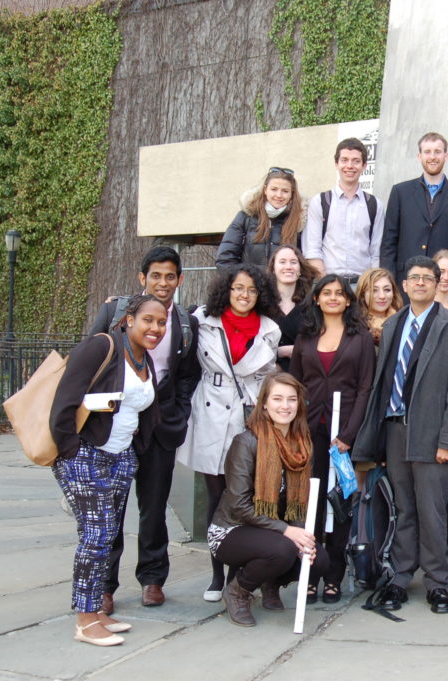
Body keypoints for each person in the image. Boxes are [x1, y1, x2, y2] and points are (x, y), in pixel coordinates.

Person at [352, 256, 448, 614]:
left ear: (438, 285)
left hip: (432, 434)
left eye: (427, 278)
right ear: (404, 285)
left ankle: (437, 582)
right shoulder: (392, 326)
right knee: (402, 509)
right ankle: (401, 576)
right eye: (414, 278)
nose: (420, 283)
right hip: (394, 429)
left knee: (432, 511)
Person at [89, 247, 200, 613]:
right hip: (117, 426)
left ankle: (153, 579)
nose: (163, 283)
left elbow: (187, 375)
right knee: (111, 508)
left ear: (180, 280)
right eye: (155, 276)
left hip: (161, 426)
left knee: (153, 508)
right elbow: (90, 357)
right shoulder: (115, 311)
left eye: (170, 276)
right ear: (143, 278)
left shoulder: (186, 322)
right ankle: (105, 585)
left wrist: (179, 414)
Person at [51, 295, 166, 646]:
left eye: (161, 323)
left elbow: (142, 410)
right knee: (96, 535)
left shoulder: (143, 359)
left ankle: (97, 612)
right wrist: (70, 451)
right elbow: (64, 401)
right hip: (85, 454)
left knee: (108, 535)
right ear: (128, 319)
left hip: (120, 457)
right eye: (148, 320)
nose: (155, 328)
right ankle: (85, 620)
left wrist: (135, 452)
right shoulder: (101, 347)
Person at [175, 265, 281, 602]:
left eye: (251, 289)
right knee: (215, 498)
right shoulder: (203, 319)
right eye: (238, 288)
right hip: (209, 411)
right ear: (227, 289)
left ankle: (239, 574)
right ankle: (216, 573)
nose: (244, 295)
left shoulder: (270, 329)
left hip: (247, 415)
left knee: (242, 497)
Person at [208, 372, 323, 626]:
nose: (285, 406)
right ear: (264, 404)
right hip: (231, 530)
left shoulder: (301, 446)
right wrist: (287, 531)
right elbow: (238, 504)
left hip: (270, 531)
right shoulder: (246, 442)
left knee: (318, 558)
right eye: (278, 399)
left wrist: (301, 534)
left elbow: (300, 502)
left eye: (292, 399)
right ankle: (237, 591)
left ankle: (271, 582)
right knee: (283, 549)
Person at [289, 274, 376, 603]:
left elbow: (366, 388)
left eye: (340, 293)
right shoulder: (306, 335)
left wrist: (349, 435)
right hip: (309, 432)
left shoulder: (361, 337)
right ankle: (310, 572)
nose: (334, 298)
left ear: (349, 300)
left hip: (343, 436)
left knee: (340, 505)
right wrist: (296, 429)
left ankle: (334, 575)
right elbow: (295, 384)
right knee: (310, 504)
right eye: (327, 293)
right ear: (316, 299)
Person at [380, 132, 448, 284]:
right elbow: (388, 243)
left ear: (446, 155)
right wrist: (388, 282)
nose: (432, 157)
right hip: (405, 282)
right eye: (427, 152)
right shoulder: (400, 192)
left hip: (444, 284)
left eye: (437, 151)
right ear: (419, 156)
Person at [302, 137, 384, 284]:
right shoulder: (320, 202)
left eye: (356, 161)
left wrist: (372, 284)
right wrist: (326, 284)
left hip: (362, 285)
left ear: (364, 165)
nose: (350, 166)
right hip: (328, 283)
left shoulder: (374, 205)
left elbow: (376, 252)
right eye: (344, 160)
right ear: (336, 164)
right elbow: (312, 249)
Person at [216, 168, 304, 269]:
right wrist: (241, 281)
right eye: (274, 189)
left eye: (285, 191)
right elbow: (225, 258)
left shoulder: (300, 222)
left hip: (285, 285)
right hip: (251, 284)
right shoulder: (246, 216)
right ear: (265, 190)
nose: (279, 195)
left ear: (292, 194)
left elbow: (306, 264)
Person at [266, 245, 317, 372]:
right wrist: (280, 352)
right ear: (273, 268)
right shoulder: (262, 304)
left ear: (300, 269)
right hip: (269, 377)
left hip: (305, 374)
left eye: (293, 262)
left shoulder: (313, 305)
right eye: (282, 262)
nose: (288, 267)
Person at [356, 267, 403, 345]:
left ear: (394, 293)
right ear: (362, 294)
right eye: (374, 290)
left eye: (387, 290)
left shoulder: (404, 322)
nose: (382, 296)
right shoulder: (353, 326)